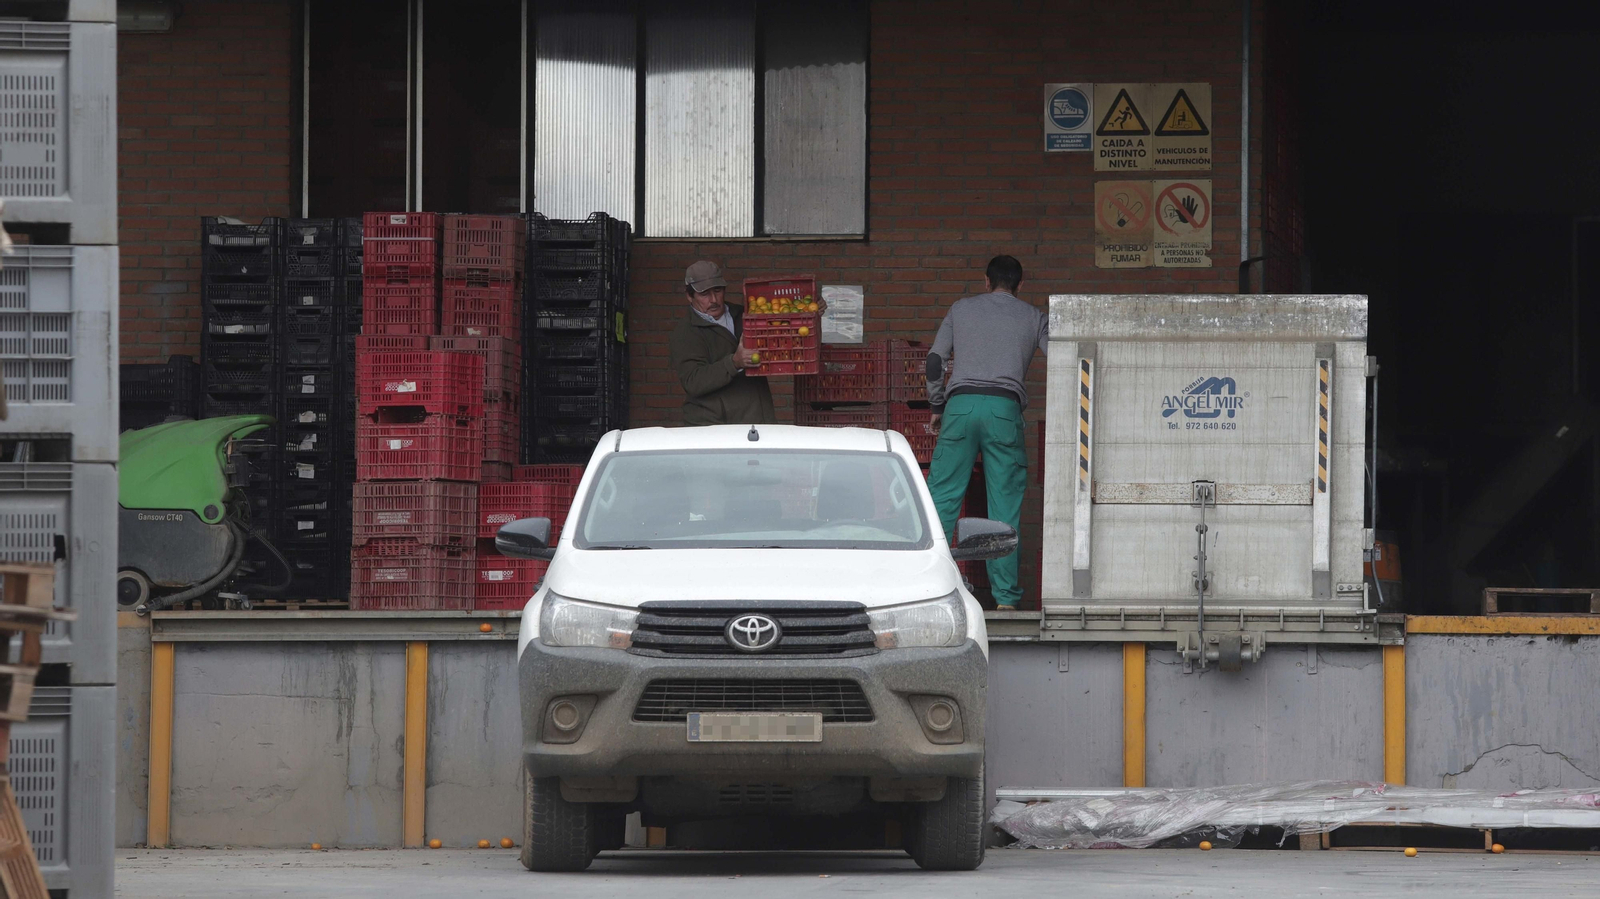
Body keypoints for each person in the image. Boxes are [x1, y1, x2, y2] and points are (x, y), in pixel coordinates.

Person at [924, 255, 1048, 609]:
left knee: (941, 502)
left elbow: (935, 362)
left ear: (985, 281)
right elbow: (1065, 355)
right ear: (1020, 285)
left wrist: (937, 407)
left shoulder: (960, 309)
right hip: (1004, 411)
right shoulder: (1033, 317)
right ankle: (1006, 601)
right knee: (1003, 509)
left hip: (960, 408)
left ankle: (930, 590)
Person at [668, 260, 777, 426]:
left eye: (717, 291)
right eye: (704, 294)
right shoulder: (686, 332)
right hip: (713, 426)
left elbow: (780, 329)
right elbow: (693, 381)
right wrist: (734, 363)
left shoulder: (743, 314)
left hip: (755, 419)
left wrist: (812, 311)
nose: (714, 299)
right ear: (689, 296)